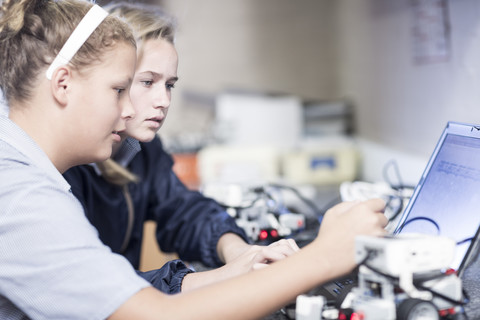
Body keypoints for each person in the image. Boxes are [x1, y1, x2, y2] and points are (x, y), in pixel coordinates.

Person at [0, 0, 388, 319]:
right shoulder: (21, 195)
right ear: (63, 83)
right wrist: (323, 257)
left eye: (168, 85)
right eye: (123, 88)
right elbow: (146, 315)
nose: (131, 109)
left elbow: (175, 216)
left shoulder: (35, 170)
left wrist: (236, 261)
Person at [63, 1, 300, 293]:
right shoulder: (64, 166)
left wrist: (237, 250)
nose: (163, 100)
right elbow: (93, 290)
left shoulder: (141, 149)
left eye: (169, 85)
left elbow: (182, 211)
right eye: (148, 82)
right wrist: (228, 275)